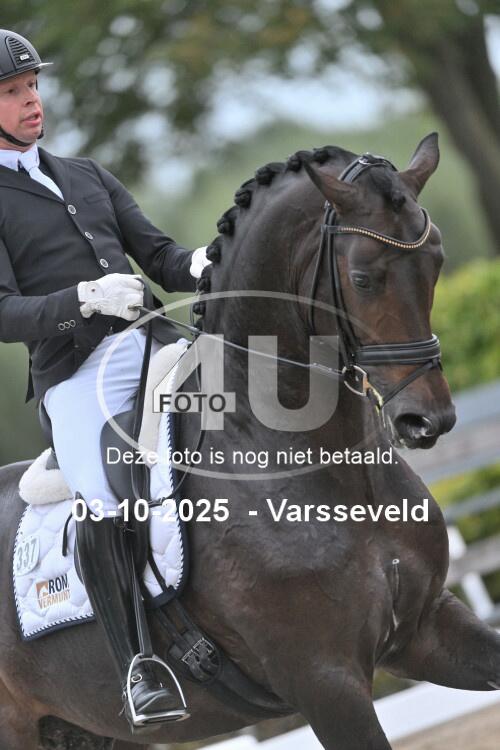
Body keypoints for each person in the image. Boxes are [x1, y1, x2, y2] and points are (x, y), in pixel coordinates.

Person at [0, 29, 209, 730]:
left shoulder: (85, 173)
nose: (32, 101)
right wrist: (82, 301)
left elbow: (162, 256)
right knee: (101, 502)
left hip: (151, 343)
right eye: (12, 92)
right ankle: (138, 666)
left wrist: (207, 262)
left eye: (33, 86)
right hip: (75, 375)